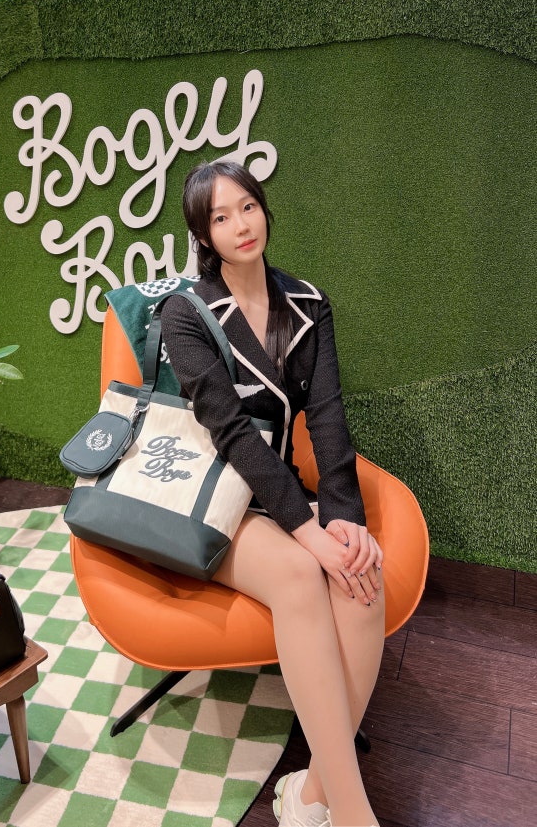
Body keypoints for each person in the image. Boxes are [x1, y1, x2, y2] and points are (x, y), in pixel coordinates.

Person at [160, 160, 385, 827]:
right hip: (215, 501)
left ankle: (312, 794)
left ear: (263, 208)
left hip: (279, 492)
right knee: (299, 572)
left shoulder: (308, 304)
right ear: (203, 234)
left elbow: (329, 416)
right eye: (220, 216)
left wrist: (343, 520)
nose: (239, 224)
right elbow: (233, 436)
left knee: (360, 571)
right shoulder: (185, 313)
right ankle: (355, 816)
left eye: (247, 206)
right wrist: (308, 533)